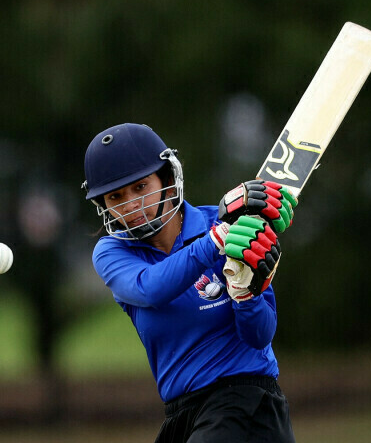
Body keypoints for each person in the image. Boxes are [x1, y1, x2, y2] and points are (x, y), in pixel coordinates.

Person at [82, 122, 297, 442]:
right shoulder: (113, 252)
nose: (130, 205)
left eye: (140, 187)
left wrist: (245, 292)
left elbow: (260, 335)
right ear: (104, 205)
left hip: (247, 403)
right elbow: (150, 288)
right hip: (181, 414)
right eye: (116, 196)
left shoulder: (225, 225)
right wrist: (217, 240)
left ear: (167, 179)